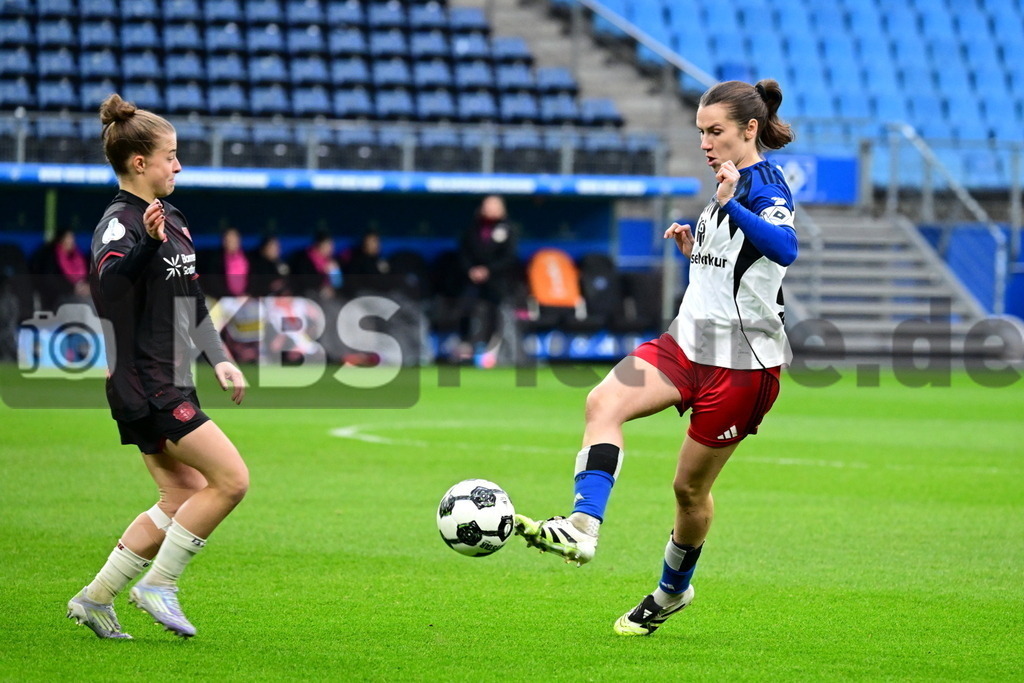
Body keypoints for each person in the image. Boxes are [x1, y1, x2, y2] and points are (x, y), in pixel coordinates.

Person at [513, 79, 797, 636]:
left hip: (742, 367)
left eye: (714, 132)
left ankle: (671, 592)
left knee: (688, 492)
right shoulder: (727, 183)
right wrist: (699, 247)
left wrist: (729, 207)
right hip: (686, 344)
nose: (705, 143)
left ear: (750, 130)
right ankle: (582, 526)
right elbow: (736, 270)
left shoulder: (766, 186)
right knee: (603, 402)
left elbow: (785, 249)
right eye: (700, 132)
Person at [67, 93, 248, 640]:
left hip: (166, 377)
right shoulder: (120, 226)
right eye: (171, 155)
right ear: (139, 163)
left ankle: (95, 598)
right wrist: (146, 244)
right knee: (231, 481)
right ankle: (159, 584)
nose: (179, 165)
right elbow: (108, 293)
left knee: (181, 496)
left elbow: (191, 300)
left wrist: (220, 359)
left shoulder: (172, 217)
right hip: (146, 383)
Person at [455, 195, 519, 362]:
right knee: (469, 313)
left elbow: (509, 258)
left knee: (497, 317)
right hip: (472, 282)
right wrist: (471, 270)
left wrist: (488, 270)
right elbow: (463, 254)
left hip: (497, 283)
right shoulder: (472, 229)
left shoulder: (508, 229)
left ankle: (496, 353)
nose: (490, 209)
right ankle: (468, 350)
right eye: (487, 206)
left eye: (494, 206)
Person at [31, 228, 91, 311]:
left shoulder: (78, 256)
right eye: (68, 238)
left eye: (73, 238)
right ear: (61, 240)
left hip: (80, 293)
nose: (72, 241)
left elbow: (88, 275)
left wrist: (87, 287)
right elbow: (50, 281)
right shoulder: (51, 257)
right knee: (84, 304)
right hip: (59, 297)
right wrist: (73, 289)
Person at [197, 226, 249, 299]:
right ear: (223, 241)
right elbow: (213, 282)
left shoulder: (249, 258)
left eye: (234, 238)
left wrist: (248, 294)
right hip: (223, 299)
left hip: (246, 299)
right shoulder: (216, 260)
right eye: (228, 239)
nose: (231, 242)